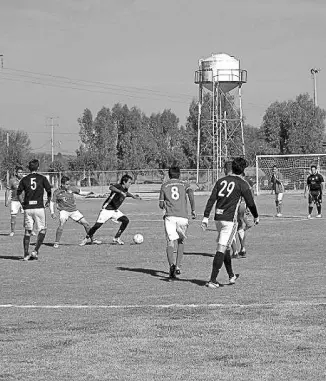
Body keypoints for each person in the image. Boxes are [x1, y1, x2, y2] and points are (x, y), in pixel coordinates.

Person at [201, 157, 259, 289]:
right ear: (243, 169)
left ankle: (231, 275)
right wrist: (256, 216)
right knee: (221, 248)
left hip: (218, 219)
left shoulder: (221, 181)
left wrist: (205, 217)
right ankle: (212, 280)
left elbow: (211, 199)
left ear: (232, 167)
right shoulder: (242, 183)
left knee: (226, 247)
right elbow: (250, 203)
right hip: (230, 221)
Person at [80, 174, 141, 246]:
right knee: (97, 226)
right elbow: (111, 187)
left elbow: (126, 193)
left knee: (126, 220)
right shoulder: (119, 186)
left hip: (114, 210)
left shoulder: (125, 189)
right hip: (106, 209)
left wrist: (133, 196)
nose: (130, 184)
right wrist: (120, 192)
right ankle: (86, 238)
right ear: (124, 182)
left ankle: (116, 238)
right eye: (129, 182)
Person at [159, 166, 196, 279]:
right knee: (181, 241)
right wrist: (193, 209)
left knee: (170, 242)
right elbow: (190, 193)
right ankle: (178, 267)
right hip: (182, 217)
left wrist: (165, 204)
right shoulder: (184, 184)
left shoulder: (164, 186)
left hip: (170, 217)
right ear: (179, 175)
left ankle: (171, 265)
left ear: (169, 175)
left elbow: (160, 205)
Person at [50, 175, 99, 248]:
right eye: (66, 184)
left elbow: (81, 192)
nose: (68, 185)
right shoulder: (57, 192)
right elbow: (52, 202)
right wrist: (52, 212)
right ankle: (56, 243)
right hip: (64, 211)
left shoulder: (71, 189)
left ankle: (93, 239)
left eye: (68, 184)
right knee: (61, 224)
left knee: (86, 224)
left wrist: (89, 193)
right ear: (62, 184)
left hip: (74, 211)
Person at [17, 159, 52, 261]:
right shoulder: (42, 178)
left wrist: (22, 203)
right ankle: (35, 250)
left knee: (27, 231)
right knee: (42, 229)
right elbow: (49, 190)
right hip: (39, 208)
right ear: (38, 167)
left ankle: (25, 254)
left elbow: (18, 193)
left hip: (28, 208)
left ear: (28, 168)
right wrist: (48, 201)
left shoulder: (24, 179)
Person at [5, 166, 24, 236]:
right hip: (14, 201)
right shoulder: (12, 180)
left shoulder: (25, 180)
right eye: (19, 172)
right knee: (13, 216)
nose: (20, 174)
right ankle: (12, 231)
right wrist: (6, 200)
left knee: (28, 216)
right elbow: (8, 190)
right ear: (16, 173)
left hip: (23, 201)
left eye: (21, 172)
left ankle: (30, 231)